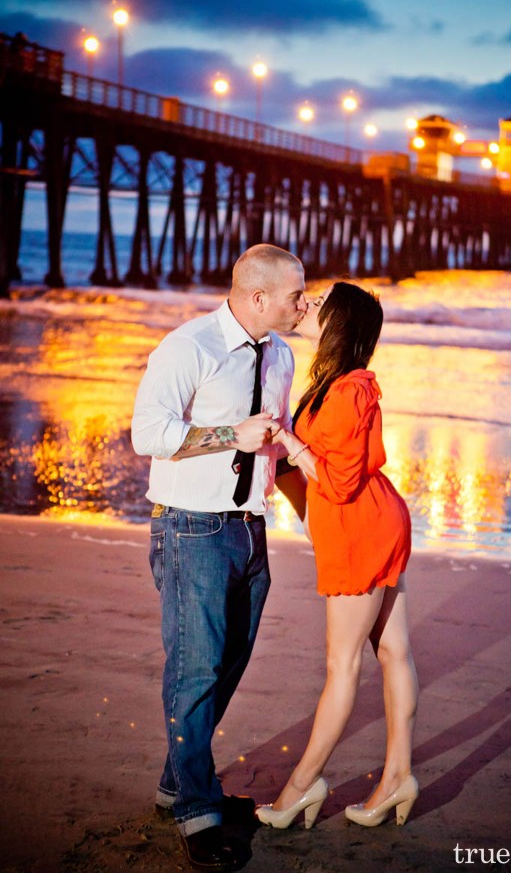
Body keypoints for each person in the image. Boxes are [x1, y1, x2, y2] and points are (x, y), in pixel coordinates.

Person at [131, 244, 308, 872]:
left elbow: (277, 446)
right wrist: (231, 434)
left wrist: (319, 513)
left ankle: (179, 785)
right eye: (295, 294)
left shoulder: (283, 354)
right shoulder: (190, 347)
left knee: (228, 662)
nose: (303, 303)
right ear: (260, 297)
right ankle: (197, 814)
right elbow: (147, 433)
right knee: (196, 668)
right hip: (191, 529)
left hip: (250, 529)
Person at [256, 281, 419, 831]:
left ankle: (301, 787)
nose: (309, 307)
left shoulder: (349, 390)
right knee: (393, 652)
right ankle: (398, 775)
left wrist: (291, 444)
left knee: (341, 666)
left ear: (338, 322)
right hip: (373, 520)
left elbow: (341, 481)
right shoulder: (336, 383)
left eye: (320, 304)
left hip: (361, 529)